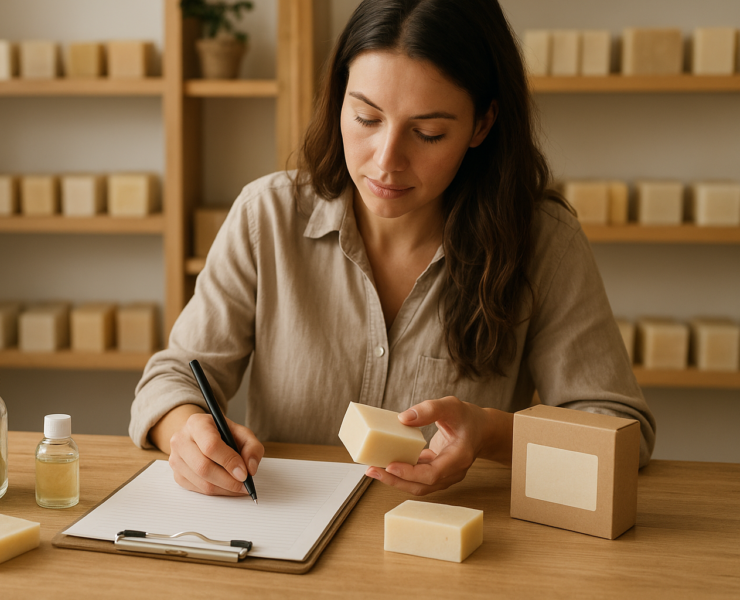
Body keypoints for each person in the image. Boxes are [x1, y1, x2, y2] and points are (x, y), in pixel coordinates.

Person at [130, 0, 655, 498]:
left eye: (427, 133)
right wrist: (187, 432)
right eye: (366, 118)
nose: (386, 162)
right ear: (339, 97)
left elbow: (622, 433)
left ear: (482, 124)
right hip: (286, 542)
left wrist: (491, 435)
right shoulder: (266, 216)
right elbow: (173, 377)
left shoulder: (542, 240)